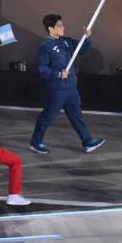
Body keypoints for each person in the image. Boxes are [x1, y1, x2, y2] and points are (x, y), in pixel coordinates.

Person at [29, 14, 105, 154]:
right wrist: (58, 73)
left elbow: (81, 50)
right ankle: (35, 142)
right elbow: (42, 69)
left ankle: (87, 141)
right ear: (51, 29)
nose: (63, 28)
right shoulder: (46, 47)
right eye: (59, 26)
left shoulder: (66, 42)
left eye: (62, 25)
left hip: (71, 87)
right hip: (57, 89)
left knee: (76, 116)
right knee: (48, 116)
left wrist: (86, 37)